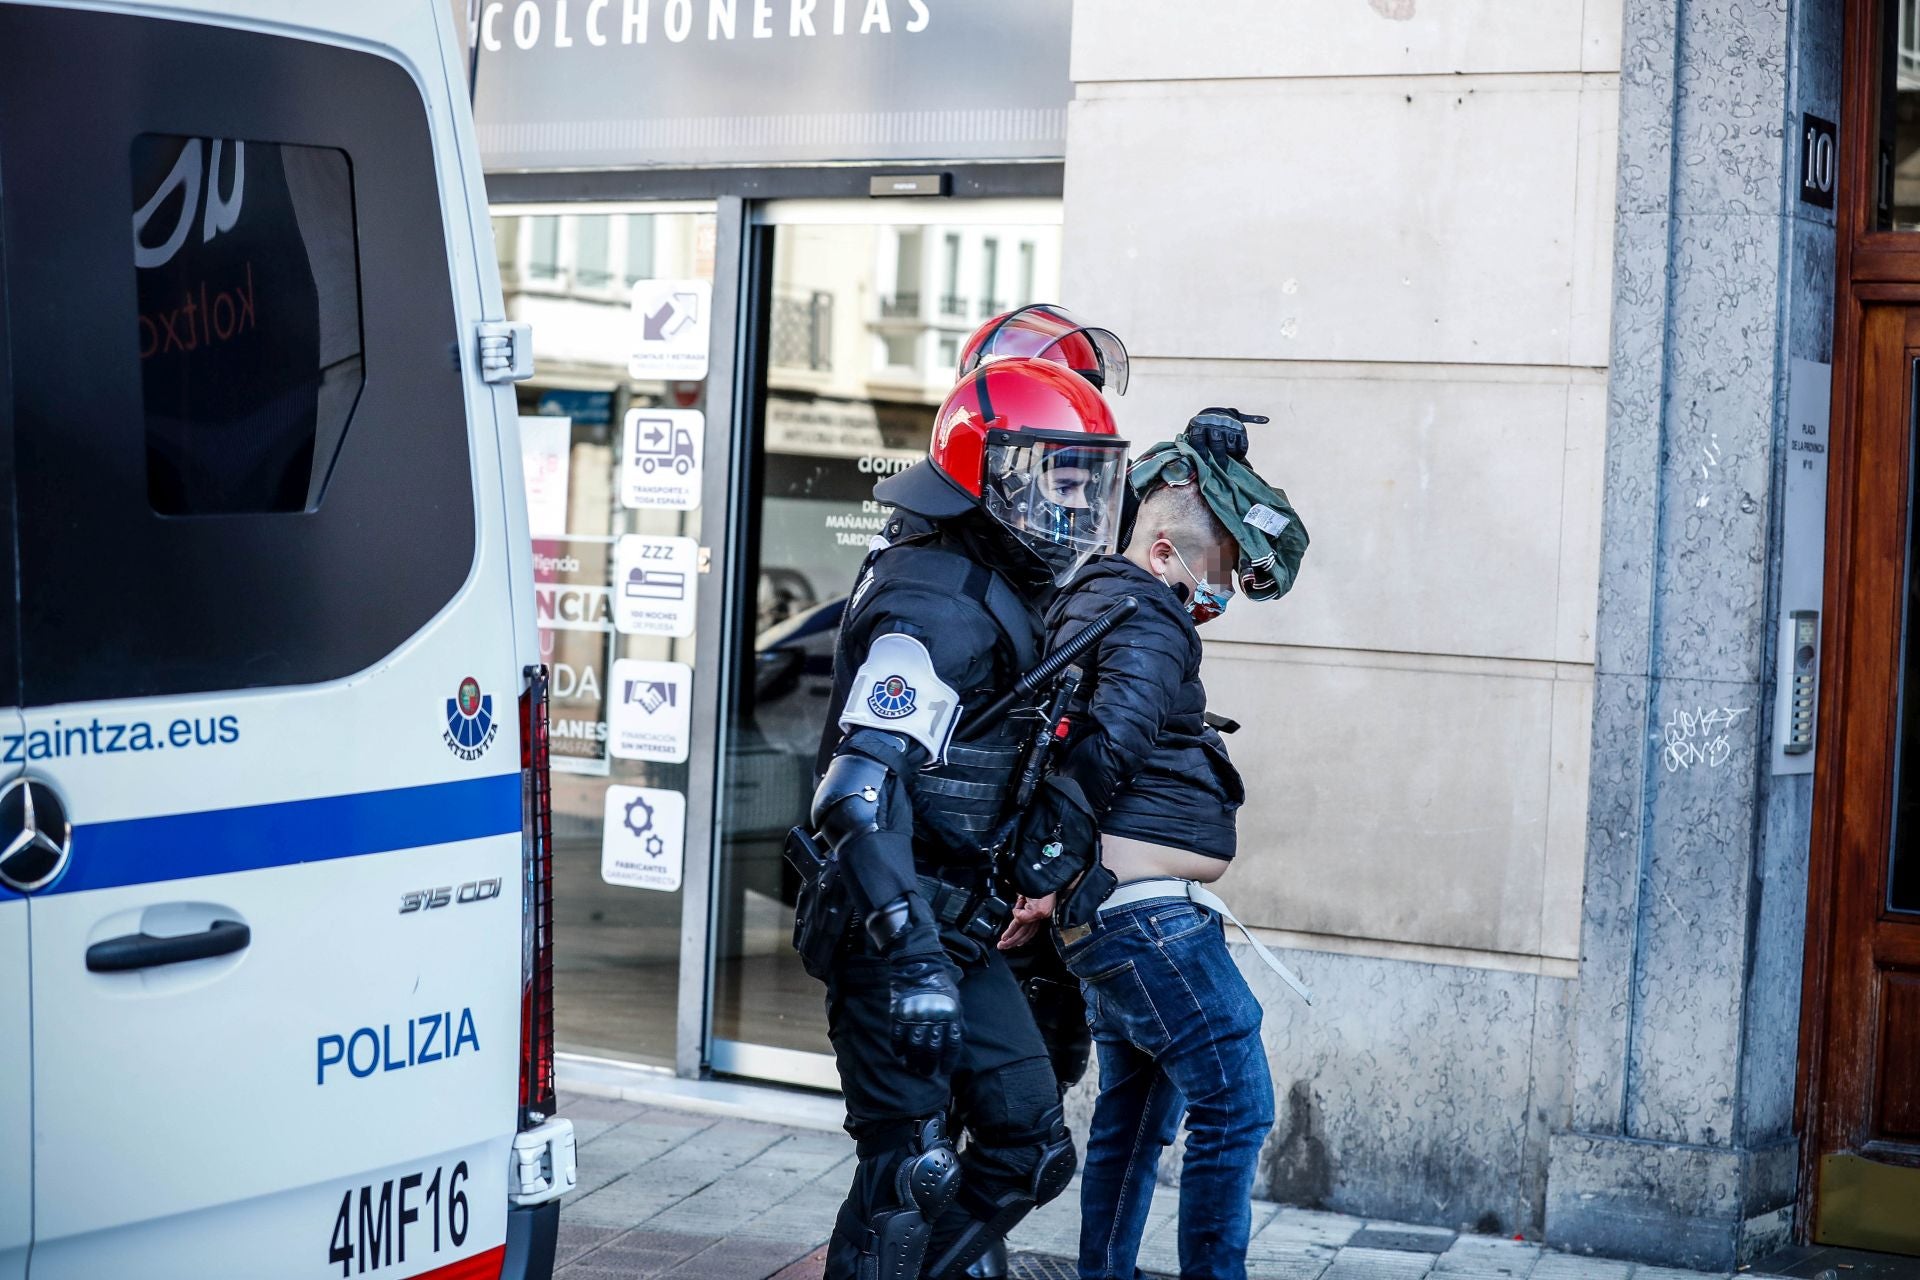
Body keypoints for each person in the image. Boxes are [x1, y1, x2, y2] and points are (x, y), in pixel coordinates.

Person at [804, 355, 1133, 1280]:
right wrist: (909, 964)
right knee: (907, 1180)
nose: (1074, 504)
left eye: (1089, 481)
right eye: (1056, 478)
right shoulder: (936, 601)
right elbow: (858, 790)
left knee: (1029, 1147)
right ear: (984, 472)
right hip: (893, 926)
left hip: (958, 927)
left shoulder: (998, 581)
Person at [997, 439, 1308, 1280]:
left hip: (1117, 917)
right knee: (1238, 1106)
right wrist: (1048, 867)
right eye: (1222, 566)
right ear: (1163, 551)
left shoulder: (1098, 604)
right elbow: (1116, 734)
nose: (1222, 590)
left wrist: (1052, 877)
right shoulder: (1142, 609)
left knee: (1131, 1124)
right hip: (1145, 920)